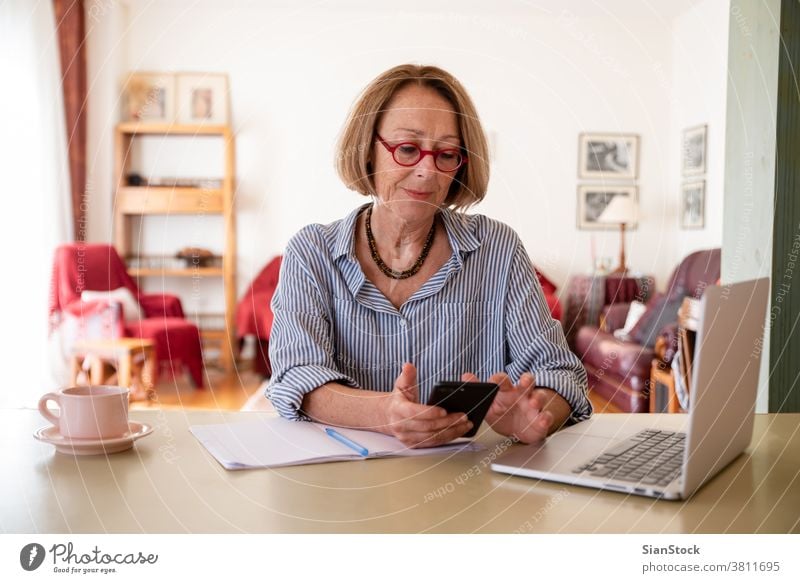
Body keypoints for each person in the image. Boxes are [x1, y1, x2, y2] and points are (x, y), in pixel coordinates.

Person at [267, 64, 590, 448]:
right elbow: (296, 376)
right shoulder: (312, 252)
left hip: (470, 485)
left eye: (447, 154)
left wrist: (538, 413)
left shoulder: (498, 249)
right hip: (346, 486)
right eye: (407, 149)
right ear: (368, 150)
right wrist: (386, 413)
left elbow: (558, 373)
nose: (427, 172)